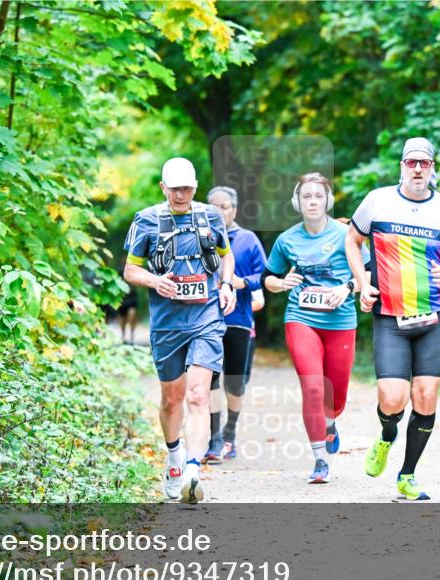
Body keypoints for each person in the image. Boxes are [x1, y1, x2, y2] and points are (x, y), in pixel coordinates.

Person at [345, 137, 440, 500]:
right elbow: (352, 241)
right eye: (411, 162)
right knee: (392, 398)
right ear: (401, 166)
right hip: (389, 315)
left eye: (424, 164)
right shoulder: (377, 201)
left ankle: (407, 475)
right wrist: (362, 282)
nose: (417, 169)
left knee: (426, 395)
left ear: (432, 169)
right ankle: (387, 435)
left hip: (433, 316)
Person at [123, 157, 237, 503]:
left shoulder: (210, 217)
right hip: (167, 323)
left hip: (206, 317)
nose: (180, 194)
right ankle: (174, 458)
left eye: (186, 188)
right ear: (163, 188)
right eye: (174, 188)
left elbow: (225, 255)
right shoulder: (146, 221)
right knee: (172, 399)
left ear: (195, 187)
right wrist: (156, 281)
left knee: (199, 395)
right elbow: (130, 271)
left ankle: (192, 469)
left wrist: (227, 285)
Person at [263, 173, 362, 484]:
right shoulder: (287, 239)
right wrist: (280, 284)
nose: (313, 201)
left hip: (341, 321)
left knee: (337, 397)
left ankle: (330, 423)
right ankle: (320, 459)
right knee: (313, 387)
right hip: (301, 318)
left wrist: (347, 288)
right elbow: (268, 278)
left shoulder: (347, 235)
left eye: (318, 196)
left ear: (328, 200)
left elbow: (367, 274)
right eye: (307, 196)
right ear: (297, 202)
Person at [203, 186, 267, 463]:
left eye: (225, 206)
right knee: (210, 380)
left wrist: (244, 282)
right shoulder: (199, 238)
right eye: (214, 206)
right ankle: (214, 438)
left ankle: (230, 434)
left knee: (235, 384)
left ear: (234, 210)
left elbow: (265, 273)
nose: (220, 211)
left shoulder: (247, 239)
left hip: (238, 321)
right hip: (204, 321)